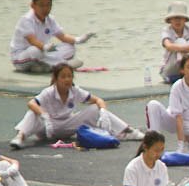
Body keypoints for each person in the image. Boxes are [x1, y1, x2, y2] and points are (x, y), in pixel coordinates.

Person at [10, 64, 141, 150]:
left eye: (69, 76)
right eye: (63, 77)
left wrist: (103, 112)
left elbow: (97, 100)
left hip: (68, 125)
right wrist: (44, 115)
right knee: (32, 113)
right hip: (48, 126)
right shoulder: (49, 92)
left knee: (94, 109)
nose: (67, 80)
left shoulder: (75, 91)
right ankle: (20, 137)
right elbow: (31, 103)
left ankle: (128, 131)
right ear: (56, 79)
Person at [144, 54, 189, 152]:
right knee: (153, 105)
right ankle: (152, 145)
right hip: (173, 120)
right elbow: (178, 117)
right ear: (182, 70)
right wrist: (180, 145)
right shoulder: (177, 87)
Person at [10, 0, 89, 74]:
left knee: (69, 47)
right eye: (41, 5)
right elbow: (32, 41)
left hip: (43, 53)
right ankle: (63, 65)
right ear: (33, 5)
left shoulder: (50, 19)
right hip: (21, 58)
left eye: (48, 5)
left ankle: (42, 67)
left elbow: (62, 36)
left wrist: (79, 39)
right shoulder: (26, 20)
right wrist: (44, 47)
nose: (45, 8)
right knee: (35, 50)